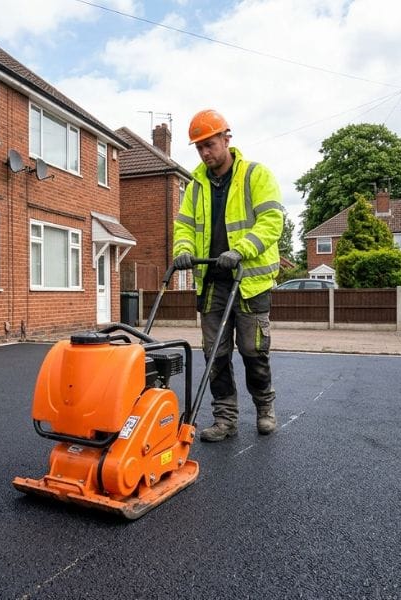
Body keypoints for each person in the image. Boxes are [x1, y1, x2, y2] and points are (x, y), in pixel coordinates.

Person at [172, 108, 285, 442]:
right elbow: (184, 226)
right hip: (212, 282)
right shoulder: (196, 186)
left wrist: (241, 250)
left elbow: (272, 222)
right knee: (215, 355)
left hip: (249, 281)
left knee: (253, 350)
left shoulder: (255, 175)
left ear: (226, 139)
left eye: (210, 144)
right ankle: (225, 418)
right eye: (199, 147)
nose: (205, 153)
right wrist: (183, 250)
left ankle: (264, 407)